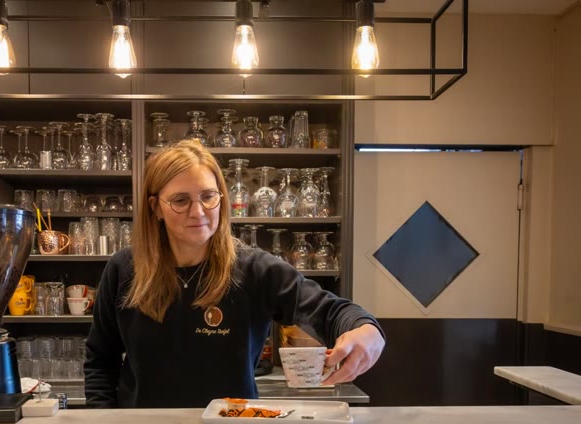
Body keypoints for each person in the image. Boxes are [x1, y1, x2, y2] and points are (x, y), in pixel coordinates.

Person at [84, 140, 385, 408]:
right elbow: (100, 361)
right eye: (180, 200)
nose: (198, 211)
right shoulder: (124, 268)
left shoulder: (255, 269)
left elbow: (331, 311)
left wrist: (366, 330)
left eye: (208, 196)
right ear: (156, 208)